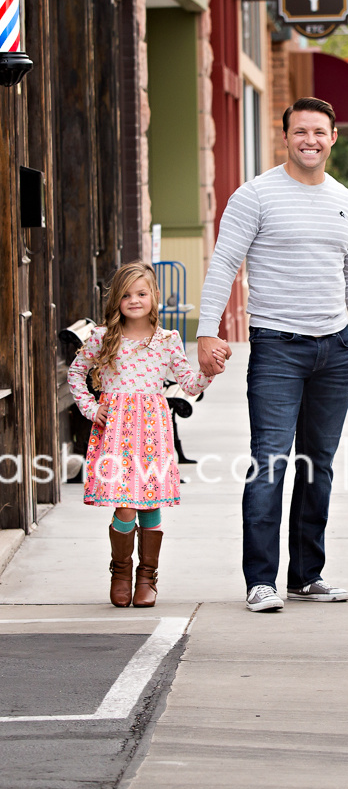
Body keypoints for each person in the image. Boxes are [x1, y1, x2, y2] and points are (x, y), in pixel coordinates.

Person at [197, 97, 348, 613]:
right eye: (301, 131)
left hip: (336, 349)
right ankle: (261, 580)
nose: (311, 140)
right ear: (286, 137)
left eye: (319, 132)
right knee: (270, 462)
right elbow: (223, 265)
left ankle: (307, 574)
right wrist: (206, 332)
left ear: (333, 138)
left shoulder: (346, 200)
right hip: (277, 347)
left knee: (317, 467)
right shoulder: (254, 196)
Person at [67, 261, 215, 608]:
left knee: (149, 506)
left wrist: (209, 372)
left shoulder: (167, 341)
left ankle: (147, 577)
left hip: (152, 433)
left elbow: (189, 384)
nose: (134, 300)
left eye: (142, 293)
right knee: (126, 507)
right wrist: (91, 409)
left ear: (154, 297)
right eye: (127, 294)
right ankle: (121, 572)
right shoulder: (103, 338)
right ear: (117, 299)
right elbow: (76, 374)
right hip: (116, 433)